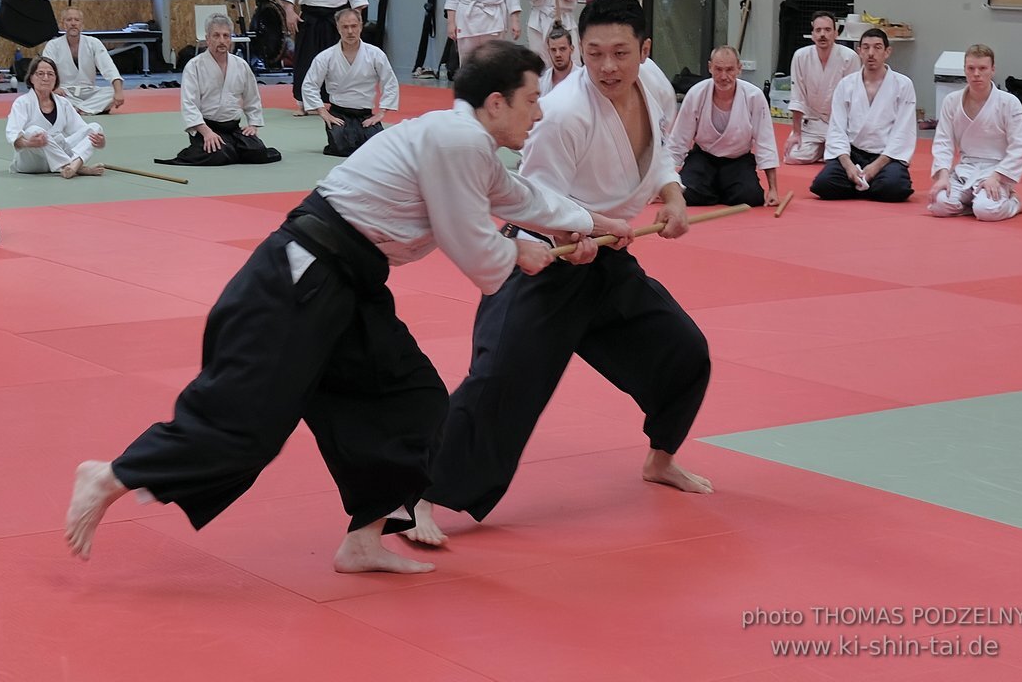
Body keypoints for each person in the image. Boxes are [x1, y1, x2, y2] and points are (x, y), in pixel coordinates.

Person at [64, 40, 633, 574]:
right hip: (301, 275)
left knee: (409, 397)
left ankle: (364, 538)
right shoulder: (456, 140)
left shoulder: (469, 144)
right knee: (247, 421)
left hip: (348, 282)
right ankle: (112, 475)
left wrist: (592, 223)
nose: (538, 113)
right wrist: (527, 254)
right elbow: (476, 250)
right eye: (532, 99)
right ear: (494, 102)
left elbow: (519, 197)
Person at [405, 0, 713, 548]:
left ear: (645, 50)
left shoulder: (657, 87)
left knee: (684, 353)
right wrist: (573, 234)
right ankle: (418, 495)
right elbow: (532, 199)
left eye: (620, 53)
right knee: (500, 382)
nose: (607, 67)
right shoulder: (565, 112)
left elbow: (661, 152)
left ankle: (661, 459)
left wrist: (672, 196)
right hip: (545, 262)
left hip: (608, 258)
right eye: (594, 54)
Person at [155, 14, 280, 166]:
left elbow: (252, 97)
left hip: (232, 127)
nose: (222, 40)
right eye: (216, 35)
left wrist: (253, 124)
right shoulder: (194, 66)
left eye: (226, 36)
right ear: (207, 39)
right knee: (218, 154)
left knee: (257, 151)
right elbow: (189, 104)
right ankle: (206, 147)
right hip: (206, 126)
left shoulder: (241, 65)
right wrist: (206, 132)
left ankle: (231, 148)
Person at [809, 28, 916, 202]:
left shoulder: (903, 85)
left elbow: (903, 132)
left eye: (877, 47)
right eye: (865, 48)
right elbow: (837, 128)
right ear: (859, 51)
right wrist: (847, 164)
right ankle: (862, 181)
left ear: (887, 52)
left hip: (885, 156)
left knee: (895, 188)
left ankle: (862, 183)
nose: (871, 53)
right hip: (852, 154)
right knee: (823, 185)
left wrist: (875, 167)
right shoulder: (846, 85)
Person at [928, 44, 1022, 221]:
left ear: (993, 70)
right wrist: (942, 176)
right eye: (971, 68)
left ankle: (1013, 202)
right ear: (964, 70)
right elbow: (943, 142)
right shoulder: (951, 101)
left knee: (986, 211)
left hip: (996, 169)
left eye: (982, 68)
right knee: (939, 205)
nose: (976, 74)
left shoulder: (1009, 103)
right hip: (965, 168)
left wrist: (997, 177)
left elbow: (1020, 147)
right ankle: (971, 203)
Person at [669, 46, 780, 207]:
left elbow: (766, 141)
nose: (723, 76)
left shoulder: (754, 96)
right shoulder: (696, 93)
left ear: (739, 69)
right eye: (718, 69)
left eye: (729, 70)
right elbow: (679, 140)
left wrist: (773, 189)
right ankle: (718, 187)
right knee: (687, 193)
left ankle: (716, 188)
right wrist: (666, 183)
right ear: (710, 68)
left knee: (751, 197)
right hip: (703, 158)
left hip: (738, 160)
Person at [302, 8, 399, 157]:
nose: (350, 31)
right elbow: (309, 84)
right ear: (337, 27)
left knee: (376, 150)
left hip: (365, 114)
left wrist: (381, 113)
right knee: (342, 149)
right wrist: (323, 112)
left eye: (354, 26)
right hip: (339, 114)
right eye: (345, 27)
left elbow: (390, 82)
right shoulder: (326, 57)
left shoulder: (375, 54)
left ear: (361, 26)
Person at [6, 56, 107, 178]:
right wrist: (28, 143)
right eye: (40, 74)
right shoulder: (22, 102)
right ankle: (77, 167)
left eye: (50, 74)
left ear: (56, 79)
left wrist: (99, 143)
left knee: (95, 128)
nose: (46, 78)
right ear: (31, 78)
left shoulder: (63, 103)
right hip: (32, 162)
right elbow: (13, 134)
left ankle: (73, 166)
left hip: (58, 155)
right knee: (35, 131)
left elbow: (82, 131)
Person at [785, 11, 859, 164]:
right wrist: (796, 133)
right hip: (812, 122)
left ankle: (826, 149)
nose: (822, 35)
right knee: (792, 156)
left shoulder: (849, 57)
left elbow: (854, 99)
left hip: (839, 123)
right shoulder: (800, 56)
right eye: (818, 30)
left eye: (827, 30)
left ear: (836, 33)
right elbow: (797, 97)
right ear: (812, 34)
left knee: (844, 159)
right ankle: (822, 149)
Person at [41, 7, 125, 115]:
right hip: (64, 92)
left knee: (112, 92)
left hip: (89, 91)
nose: (73, 23)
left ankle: (77, 110)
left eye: (77, 20)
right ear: (63, 24)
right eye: (69, 20)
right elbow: (46, 70)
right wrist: (54, 88)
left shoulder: (94, 43)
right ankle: (89, 108)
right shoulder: (53, 45)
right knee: (49, 95)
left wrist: (118, 92)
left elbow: (109, 68)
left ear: (82, 24)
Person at [538, 26, 576, 95]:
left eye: (562, 49)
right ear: (548, 51)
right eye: (553, 50)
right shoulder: (541, 82)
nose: (557, 54)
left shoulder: (584, 79)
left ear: (572, 49)